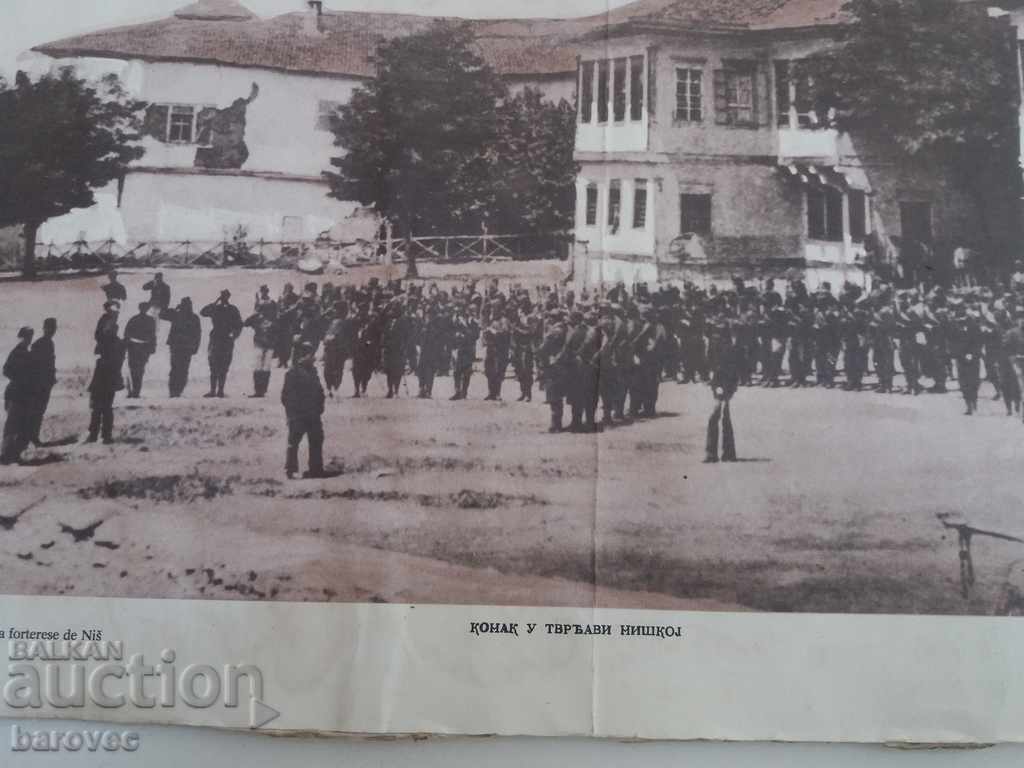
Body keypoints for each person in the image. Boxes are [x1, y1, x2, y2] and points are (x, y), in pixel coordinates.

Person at [281, 341, 325, 479]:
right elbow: (286, 397)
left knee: (317, 440)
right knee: (294, 442)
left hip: (313, 414)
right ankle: (290, 470)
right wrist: (293, 414)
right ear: (303, 356)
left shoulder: (313, 372)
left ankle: (316, 469)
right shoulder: (292, 374)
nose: (314, 358)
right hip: (298, 415)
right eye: (311, 355)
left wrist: (319, 408)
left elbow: (319, 391)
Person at [86, 314, 126, 445]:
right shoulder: (119, 343)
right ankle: (105, 435)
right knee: (106, 408)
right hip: (110, 378)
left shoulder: (106, 342)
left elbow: (97, 350)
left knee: (98, 408)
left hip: (102, 377)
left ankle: (95, 434)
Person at [705, 321, 741, 463]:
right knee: (723, 418)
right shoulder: (715, 348)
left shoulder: (730, 350)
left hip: (725, 386)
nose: (716, 336)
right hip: (718, 386)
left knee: (717, 417)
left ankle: (714, 453)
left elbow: (732, 373)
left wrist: (725, 391)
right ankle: (726, 453)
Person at [2, 327, 35, 464]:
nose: (28, 340)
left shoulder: (26, 352)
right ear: (21, 337)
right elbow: (6, 370)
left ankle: (14, 455)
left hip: (22, 394)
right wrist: (19, 379)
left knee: (20, 425)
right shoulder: (17, 352)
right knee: (12, 426)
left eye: (29, 337)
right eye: (26, 337)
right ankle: (5, 456)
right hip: (15, 394)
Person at [200, 290, 243, 398]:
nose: (223, 298)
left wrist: (234, 336)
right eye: (222, 296)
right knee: (214, 365)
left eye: (225, 296)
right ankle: (214, 391)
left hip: (225, 340)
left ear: (228, 297)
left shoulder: (232, 309)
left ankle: (219, 391)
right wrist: (215, 302)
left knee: (223, 365)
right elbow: (203, 312)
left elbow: (239, 325)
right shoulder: (216, 308)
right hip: (216, 339)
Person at [163, 298, 202, 398]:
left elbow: (198, 334)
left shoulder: (193, 317)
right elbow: (162, 314)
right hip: (178, 347)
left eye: (187, 304)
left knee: (181, 370)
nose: (186, 306)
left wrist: (196, 347)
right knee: (178, 369)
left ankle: (177, 391)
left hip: (185, 347)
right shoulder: (177, 315)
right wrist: (175, 310)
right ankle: (174, 392)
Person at [27, 318, 57, 446]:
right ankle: (31, 438)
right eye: (50, 327)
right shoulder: (38, 344)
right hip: (38, 384)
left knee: (39, 411)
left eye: (54, 328)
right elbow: (33, 365)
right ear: (44, 328)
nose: (52, 330)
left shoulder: (50, 343)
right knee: (35, 411)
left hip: (46, 383)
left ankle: (33, 437)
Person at [243, 298, 278, 398]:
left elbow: (278, 332)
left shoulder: (274, 319)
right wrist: (254, 314)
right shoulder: (258, 317)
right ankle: (259, 390)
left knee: (263, 367)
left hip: (267, 345)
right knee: (261, 367)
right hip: (261, 344)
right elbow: (246, 323)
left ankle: (261, 390)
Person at [124, 302, 157, 398]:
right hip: (141, 347)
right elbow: (153, 335)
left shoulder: (134, 319)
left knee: (135, 369)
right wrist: (152, 347)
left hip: (136, 347)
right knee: (138, 370)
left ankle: (135, 391)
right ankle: (136, 391)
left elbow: (126, 334)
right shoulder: (150, 320)